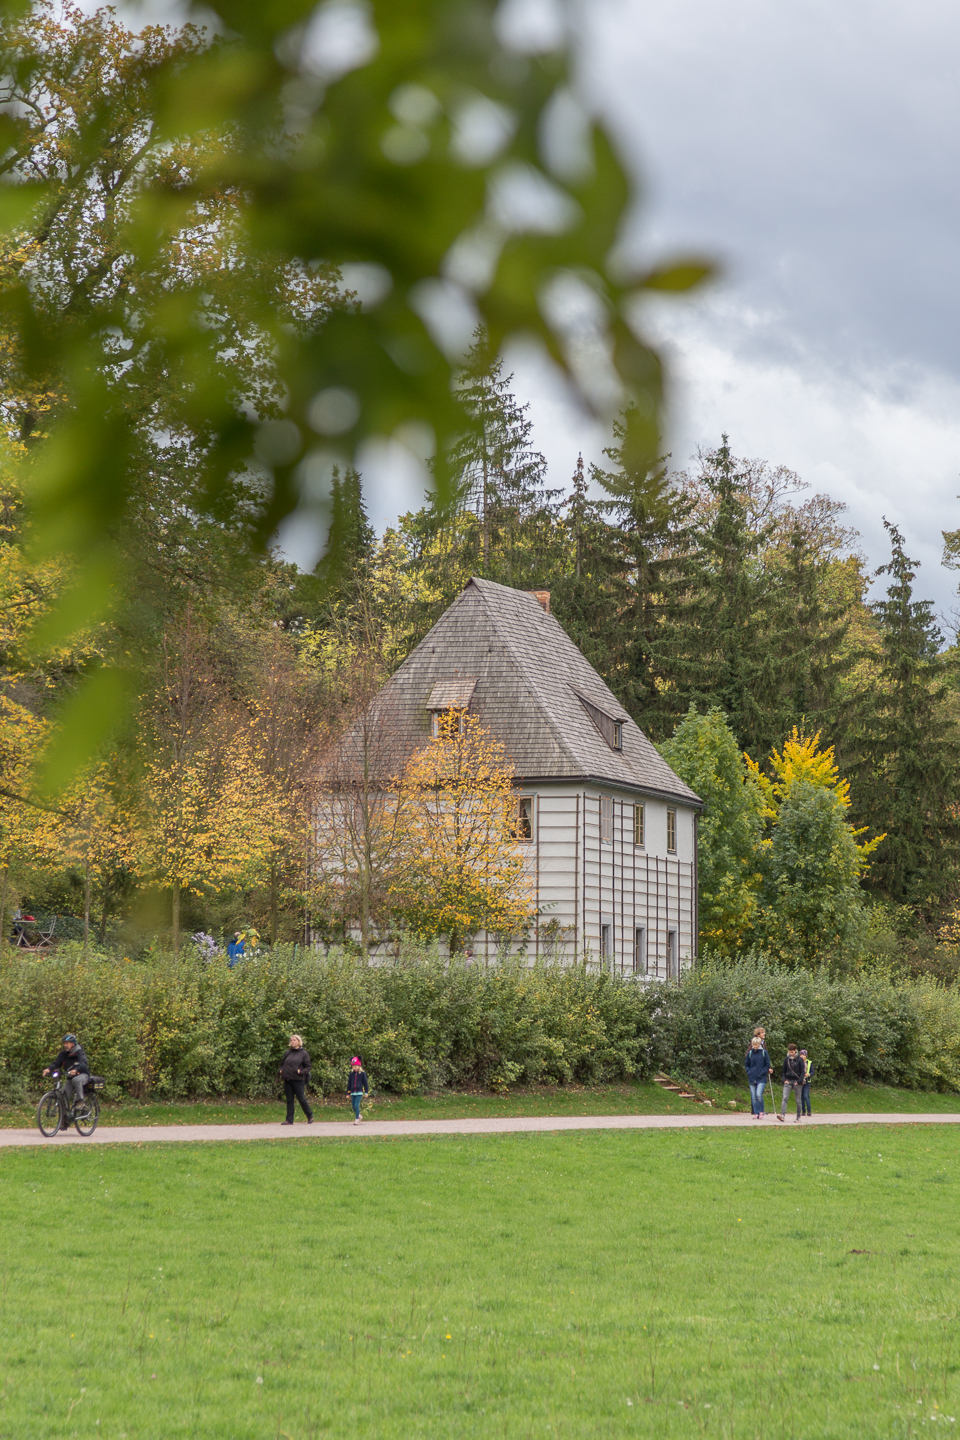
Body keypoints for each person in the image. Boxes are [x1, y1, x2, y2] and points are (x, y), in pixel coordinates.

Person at [42, 1034, 90, 1110]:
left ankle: (80, 1101)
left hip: (83, 1075)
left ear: (73, 1044)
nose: (65, 1045)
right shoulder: (63, 1054)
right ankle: (65, 1119)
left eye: (67, 1043)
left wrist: (76, 1070)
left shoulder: (79, 1052)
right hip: (70, 1077)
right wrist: (49, 1069)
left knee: (76, 1080)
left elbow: (84, 1063)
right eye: (64, 1043)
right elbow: (57, 1063)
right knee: (63, 1098)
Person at [278, 1034, 313, 1125]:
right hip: (288, 1079)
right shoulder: (287, 1053)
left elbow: (308, 1067)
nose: (292, 1042)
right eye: (291, 1040)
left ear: (299, 1041)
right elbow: (281, 1064)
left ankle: (310, 1115)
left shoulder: (303, 1053)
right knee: (289, 1100)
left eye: (294, 1040)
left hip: (298, 1080)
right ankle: (289, 1119)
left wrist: (300, 1071)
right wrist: (281, 1070)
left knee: (301, 1099)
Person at [744, 1035, 772, 1117]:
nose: (755, 1046)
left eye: (756, 1044)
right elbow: (747, 1064)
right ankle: (756, 1113)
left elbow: (767, 1064)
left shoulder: (764, 1053)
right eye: (753, 1044)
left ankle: (761, 1111)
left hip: (761, 1077)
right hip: (752, 1077)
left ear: (759, 1044)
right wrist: (749, 1072)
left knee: (759, 1094)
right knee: (753, 1097)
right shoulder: (750, 1053)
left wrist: (763, 1072)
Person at [778, 1043, 806, 1123]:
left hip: (797, 1081)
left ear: (795, 1051)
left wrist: (799, 1081)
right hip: (788, 1080)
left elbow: (802, 1072)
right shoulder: (786, 1059)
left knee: (798, 1100)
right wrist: (784, 1080)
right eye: (789, 1052)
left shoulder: (800, 1059)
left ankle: (798, 1117)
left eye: (792, 1052)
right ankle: (782, 1115)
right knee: (785, 1098)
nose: (791, 1053)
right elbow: (783, 1071)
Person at [347, 1056, 369, 1124]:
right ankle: (359, 1115)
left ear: (359, 1066)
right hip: (353, 1092)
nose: (354, 1068)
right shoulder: (351, 1074)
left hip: (359, 1092)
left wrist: (366, 1092)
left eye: (356, 1066)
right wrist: (348, 1093)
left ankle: (357, 1119)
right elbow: (349, 1084)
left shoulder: (362, 1074)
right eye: (353, 1067)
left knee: (356, 1105)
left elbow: (365, 1083)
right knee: (353, 1106)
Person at [800, 1049, 814, 1117]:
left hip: (807, 1081)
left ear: (806, 1055)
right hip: (800, 1081)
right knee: (801, 1097)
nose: (802, 1056)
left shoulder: (809, 1063)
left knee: (806, 1095)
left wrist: (809, 1074)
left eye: (804, 1055)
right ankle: (803, 1111)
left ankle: (809, 1110)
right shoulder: (799, 1062)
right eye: (801, 1055)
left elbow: (812, 1072)